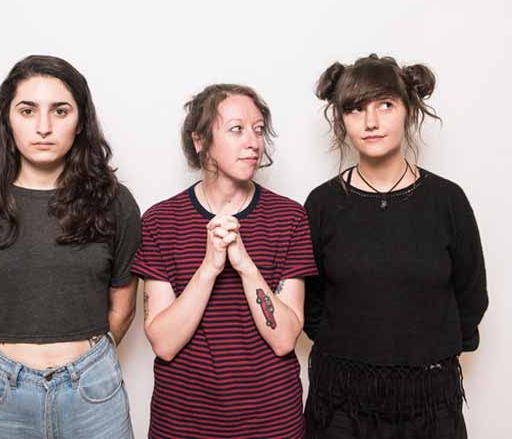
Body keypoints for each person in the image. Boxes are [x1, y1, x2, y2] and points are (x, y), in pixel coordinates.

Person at [0, 55, 139, 439]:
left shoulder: (115, 202)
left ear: (81, 122)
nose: (44, 127)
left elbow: (123, 306)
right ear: (8, 120)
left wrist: (87, 366)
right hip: (1, 395)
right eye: (27, 111)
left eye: (60, 111)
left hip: (94, 394)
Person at [303, 54, 488, 439]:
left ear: (409, 110)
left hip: (429, 404)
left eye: (385, 105)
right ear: (342, 119)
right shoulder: (322, 204)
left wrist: (428, 354)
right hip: (340, 406)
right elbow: (309, 303)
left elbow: (471, 295)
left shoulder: (447, 200)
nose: (371, 122)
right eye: (356, 109)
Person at [131, 84, 318, 438]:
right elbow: (164, 344)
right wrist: (209, 268)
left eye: (258, 129)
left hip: (272, 422)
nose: (253, 142)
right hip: (183, 423)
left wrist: (246, 266)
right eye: (236, 129)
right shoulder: (160, 221)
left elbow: (284, 339)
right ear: (200, 140)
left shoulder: (289, 218)